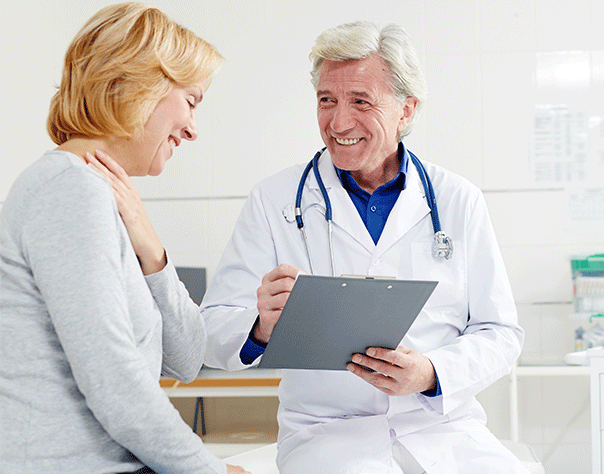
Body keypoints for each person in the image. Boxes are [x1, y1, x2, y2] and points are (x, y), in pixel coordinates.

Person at [201, 20, 527, 473]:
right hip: (327, 437)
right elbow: (212, 330)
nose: (339, 122)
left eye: (361, 102)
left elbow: (501, 333)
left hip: (443, 430)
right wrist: (259, 326)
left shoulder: (457, 199)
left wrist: (431, 373)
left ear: (405, 110)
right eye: (326, 101)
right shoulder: (274, 200)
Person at [0, 3, 247, 473]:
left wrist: (152, 250)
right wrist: (207, 470)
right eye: (191, 101)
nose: (193, 130)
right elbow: (115, 381)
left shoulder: (99, 196)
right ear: (139, 85)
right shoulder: (68, 190)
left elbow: (187, 359)